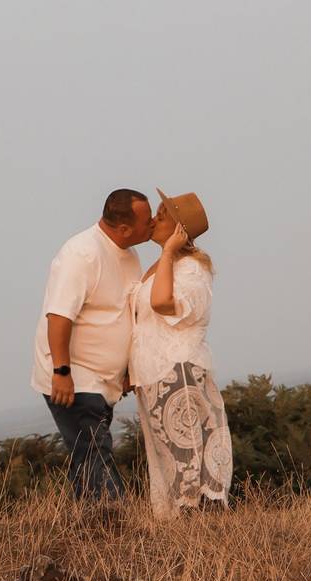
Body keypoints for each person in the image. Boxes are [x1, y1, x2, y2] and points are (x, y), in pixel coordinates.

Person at [30, 188, 154, 499]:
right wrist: (61, 371)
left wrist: (126, 368)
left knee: (89, 455)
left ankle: (90, 531)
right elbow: (59, 316)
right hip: (75, 377)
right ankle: (112, 524)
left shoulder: (130, 254)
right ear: (124, 229)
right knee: (95, 454)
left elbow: (121, 313)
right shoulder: (82, 254)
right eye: (147, 220)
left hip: (103, 381)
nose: (152, 223)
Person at [129, 189, 233, 518]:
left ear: (179, 229)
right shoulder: (161, 264)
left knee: (187, 458)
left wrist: (171, 251)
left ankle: (198, 530)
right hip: (154, 374)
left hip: (178, 370)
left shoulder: (189, 268)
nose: (154, 219)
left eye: (162, 215)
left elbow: (162, 304)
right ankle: (182, 531)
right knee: (168, 456)